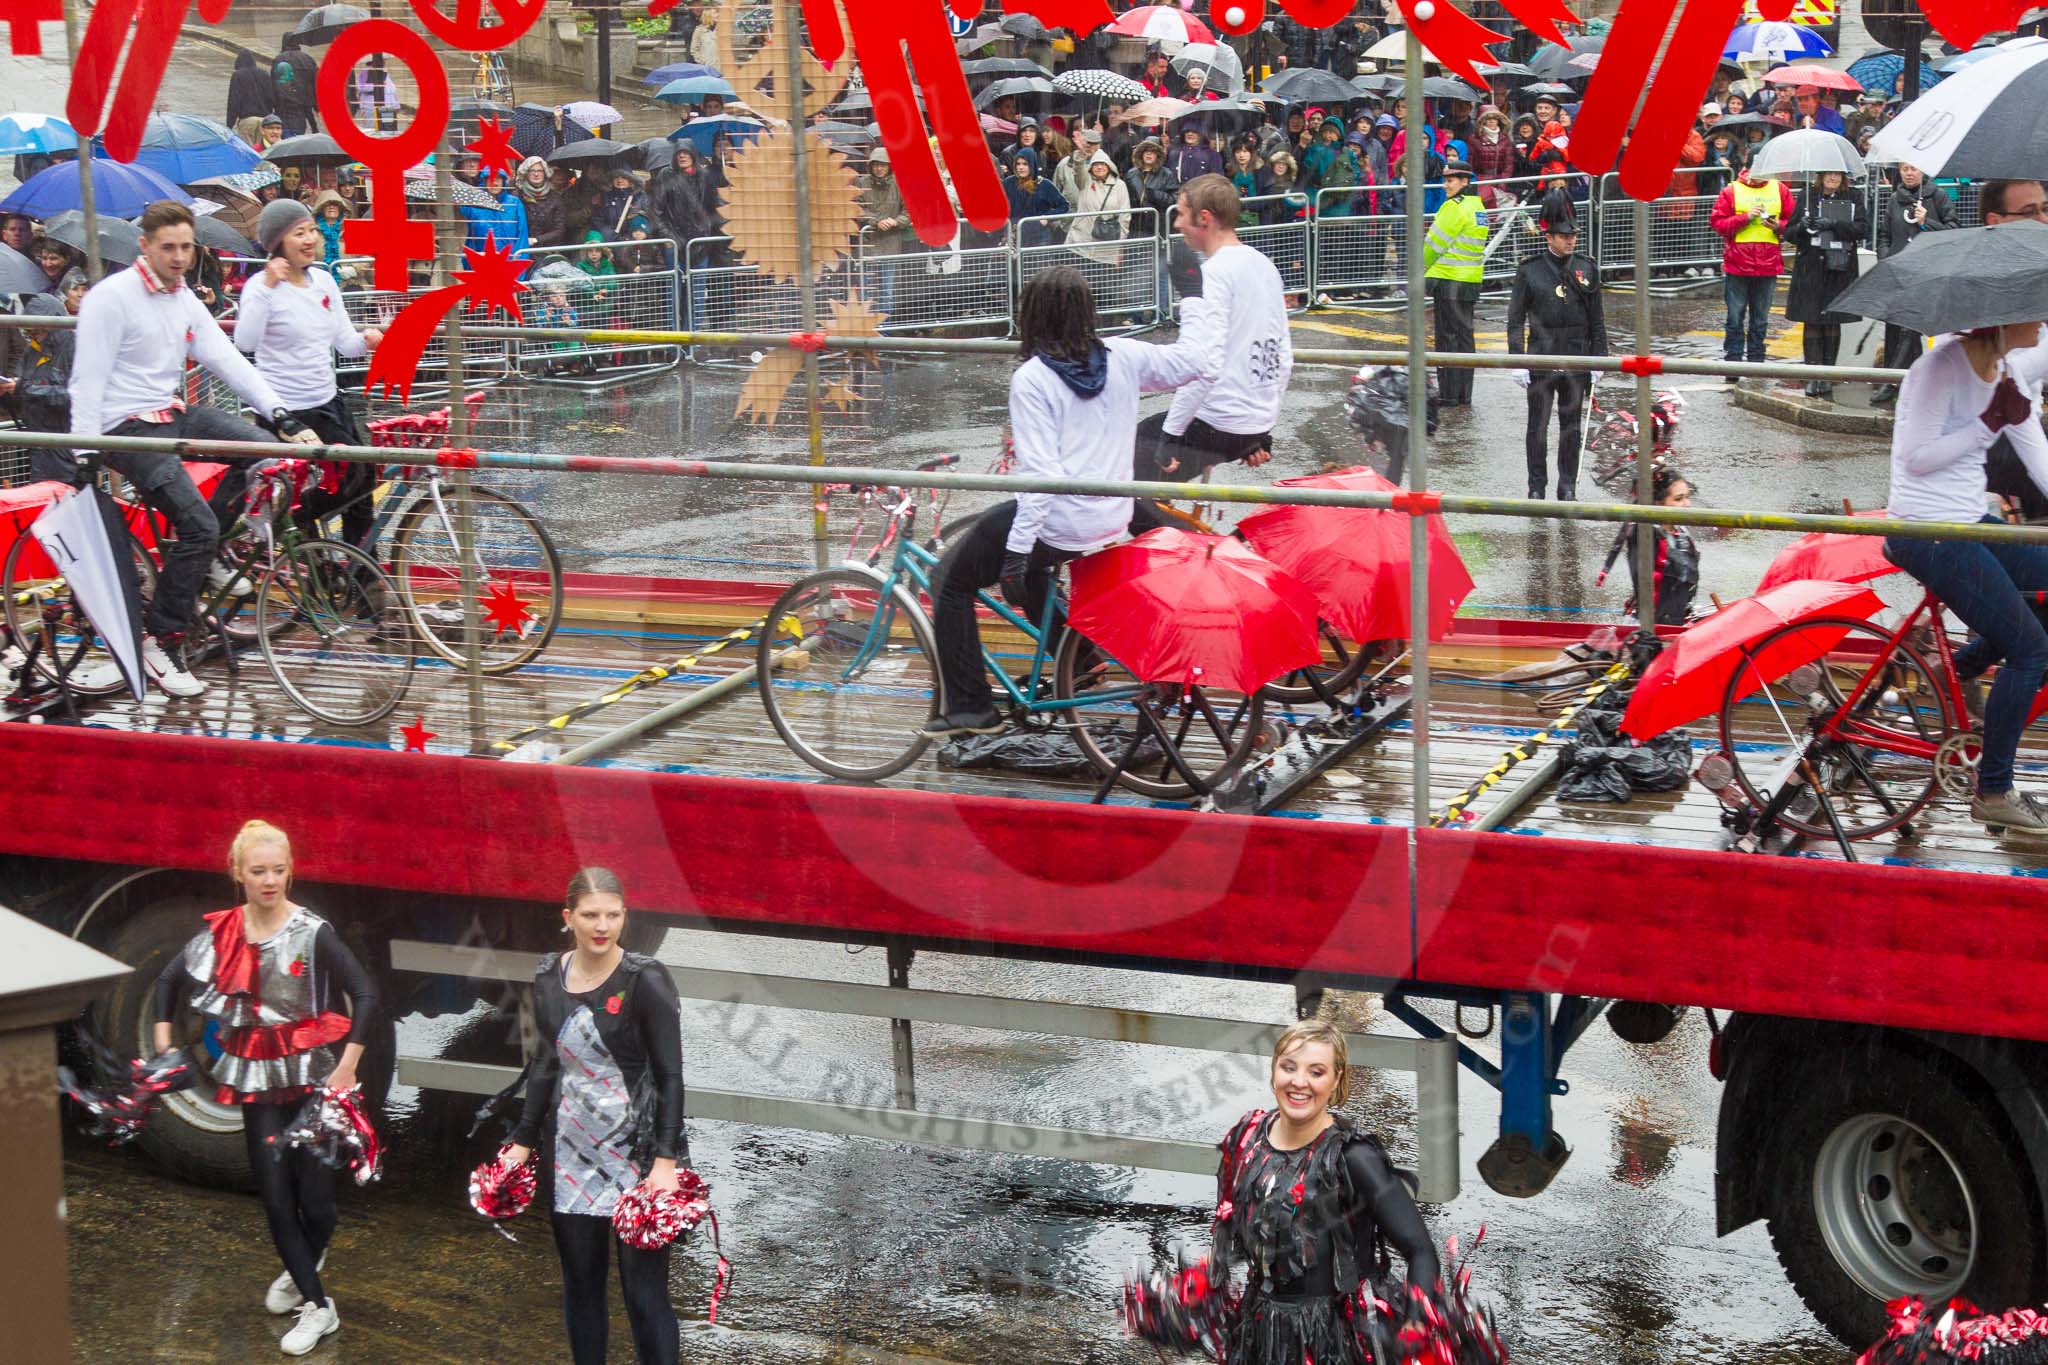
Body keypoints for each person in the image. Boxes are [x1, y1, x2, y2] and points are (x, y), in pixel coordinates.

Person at [923, 267, 1207, 736]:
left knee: (949, 581)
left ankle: (970, 708)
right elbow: (1197, 362)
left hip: (1058, 519)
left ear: (1033, 316)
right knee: (1029, 563)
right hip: (1110, 516)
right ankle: (1080, 662)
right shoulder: (1125, 354)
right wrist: (1194, 301)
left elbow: (1040, 477)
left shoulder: (1033, 379)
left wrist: (1016, 553)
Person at [68, 201, 319, 697]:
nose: (180, 257)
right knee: (197, 525)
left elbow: (226, 359)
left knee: (266, 452)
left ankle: (210, 550)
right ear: (146, 246)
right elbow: (87, 378)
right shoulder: (110, 298)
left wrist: (279, 413)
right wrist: (82, 450)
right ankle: (161, 641)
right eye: (169, 248)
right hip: (123, 428)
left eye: (186, 247)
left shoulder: (183, 298)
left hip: (171, 411)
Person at [151, 820, 379, 1356]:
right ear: (238, 874)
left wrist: (346, 1067)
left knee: (318, 1204)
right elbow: (166, 981)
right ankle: (318, 1305)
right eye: (259, 872)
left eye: (279, 870)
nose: (270, 880)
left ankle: (304, 1264)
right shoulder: (223, 931)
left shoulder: (312, 931)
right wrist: (165, 1046)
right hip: (257, 1076)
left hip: (313, 1077)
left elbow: (366, 995)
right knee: (276, 1197)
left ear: (290, 870)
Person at [503, 868, 689, 1365]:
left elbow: (671, 1075)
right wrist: (522, 1140)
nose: (601, 925)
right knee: (582, 1290)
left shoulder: (646, 979)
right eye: (590, 915)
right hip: (572, 1156)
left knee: (644, 1298)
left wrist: (665, 1160)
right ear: (569, 918)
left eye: (612, 914)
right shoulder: (547, 976)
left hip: (640, 1155)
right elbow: (544, 1063)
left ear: (625, 916)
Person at [1188, 1020, 1444, 1362]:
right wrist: (1200, 1279)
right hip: (1261, 1328)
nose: (1299, 1082)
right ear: (1274, 1069)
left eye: (1316, 1072)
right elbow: (1237, 1230)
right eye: (1289, 1067)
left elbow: (1420, 1250)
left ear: (1337, 1079)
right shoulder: (1247, 1141)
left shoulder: (1354, 1158)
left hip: (1338, 1336)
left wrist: (1417, 1322)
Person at [1884, 320, 2048, 832]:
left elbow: (2037, 455)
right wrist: (1986, 423)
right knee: (2031, 650)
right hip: (1926, 528)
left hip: (1968, 520)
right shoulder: (1939, 368)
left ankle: (1952, 670)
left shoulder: (2008, 371)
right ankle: (1994, 789)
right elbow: (1916, 458)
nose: (2042, 323)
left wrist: (2003, 414)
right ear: (2002, 320)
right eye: (2033, 313)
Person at [235, 199, 384, 549]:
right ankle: (291, 534)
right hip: (289, 414)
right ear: (278, 243)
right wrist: (269, 288)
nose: (309, 240)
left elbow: (344, 343)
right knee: (337, 485)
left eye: (312, 231)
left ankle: (362, 578)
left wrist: (370, 339)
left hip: (329, 402)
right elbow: (245, 341)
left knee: (362, 484)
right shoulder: (260, 286)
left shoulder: (324, 281)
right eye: (298, 233)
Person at [1135, 174, 1290, 484]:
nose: (1176, 223)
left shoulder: (1213, 273)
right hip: (1249, 421)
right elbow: (1280, 353)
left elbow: (1203, 362)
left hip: (1217, 421)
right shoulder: (1263, 264)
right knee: (1143, 486)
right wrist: (1260, 427)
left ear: (1204, 218)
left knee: (1121, 480)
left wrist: (1170, 435)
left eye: (1180, 213)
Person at [1507, 199, 1607, 500]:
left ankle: (1567, 486)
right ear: (1548, 236)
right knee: (1537, 427)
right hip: (1541, 356)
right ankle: (1536, 486)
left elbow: (1596, 319)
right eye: (1564, 235)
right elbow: (1515, 319)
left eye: (1573, 235)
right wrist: (1517, 360)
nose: (1570, 240)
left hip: (1576, 357)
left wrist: (1600, 359)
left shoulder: (1586, 268)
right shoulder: (1530, 270)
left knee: (1571, 428)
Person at [1974, 180, 2048, 521]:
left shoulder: (2036, 268)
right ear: (1995, 220)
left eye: (2046, 208)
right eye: (2030, 212)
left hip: (2024, 429)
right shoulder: (1979, 280)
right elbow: (2006, 374)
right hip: (1995, 448)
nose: (2044, 220)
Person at [1870, 162, 1956, 405]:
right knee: (1895, 328)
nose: (1908, 173)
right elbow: (1884, 234)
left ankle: (1891, 385)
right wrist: (1886, 258)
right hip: (1898, 272)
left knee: (1910, 329)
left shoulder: (1938, 196)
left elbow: (1953, 230)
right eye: (1905, 169)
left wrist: (1927, 222)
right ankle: (1908, 382)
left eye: (1914, 169)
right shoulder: (1895, 199)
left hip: (1926, 271)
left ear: (1923, 171)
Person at [1783, 170, 1867, 399]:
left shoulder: (1853, 196)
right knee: (1811, 319)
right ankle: (1812, 375)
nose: (1833, 178)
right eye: (1829, 174)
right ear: (1821, 176)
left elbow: (1862, 229)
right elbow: (1789, 233)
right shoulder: (1807, 195)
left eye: (1837, 174)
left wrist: (1834, 224)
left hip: (1838, 266)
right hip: (1810, 267)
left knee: (1832, 320)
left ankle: (1828, 375)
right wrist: (1801, 226)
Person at [1709, 159, 1793, 379]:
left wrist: (1780, 227)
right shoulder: (1731, 190)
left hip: (1768, 265)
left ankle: (1756, 363)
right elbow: (1718, 223)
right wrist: (1745, 218)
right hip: (1738, 264)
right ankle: (1733, 363)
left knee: (1760, 318)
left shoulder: (1781, 189)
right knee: (1735, 316)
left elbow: (1793, 222)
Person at [1423, 159, 1487, 406]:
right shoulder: (1477, 206)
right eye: (1445, 180)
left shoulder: (1454, 207)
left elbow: (1433, 246)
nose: (1445, 185)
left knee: (1447, 341)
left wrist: (1420, 268)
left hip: (1449, 282)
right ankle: (1463, 395)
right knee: (1464, 340)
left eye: (1450, 180)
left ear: (1464, 181)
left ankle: (1448, 394)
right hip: (1469, 282)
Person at [1607, 466, 1699, 626]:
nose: (1687, 504)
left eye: (1687, 497)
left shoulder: (1681, 531)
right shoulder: (1645, 533)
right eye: (1678, 499)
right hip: (1650, 627)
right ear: (1658, 503)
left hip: (1676, 621)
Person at [857, 146, 910, 318]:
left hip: (890, 244)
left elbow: (909, 210)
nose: (879, 169)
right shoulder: (861, 183)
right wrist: (875, 221)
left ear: (889, 166)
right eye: (876, 165)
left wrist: (895, 221)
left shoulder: (900, 183)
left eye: (883, 165)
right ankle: (863, 326)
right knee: (864, 289)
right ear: (870, 166)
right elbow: (856, 209)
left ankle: (884, 327)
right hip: (867, 244)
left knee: (886, 289)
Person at [1065, 149, 1131, 266]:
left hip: (1106, 249)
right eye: (1096, 164)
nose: (1099, 167)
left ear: (1109, 166)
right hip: (1080, 244)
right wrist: (1080, 154)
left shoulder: (1120, 185)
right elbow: (1078, 169)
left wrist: (1119, 243)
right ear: (1091, 167)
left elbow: (1125, 217)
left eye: (1102, 164)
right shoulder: (1085, 181)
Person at [1004, 150, 1067, 249]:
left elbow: (1064, 206)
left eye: (1025, 164)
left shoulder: (1044, 184)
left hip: (1039, 236)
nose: (1021, 167)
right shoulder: (1008, 183)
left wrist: (1047, 217)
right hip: (1014, 236)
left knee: (1037, 264)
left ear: (1032, 165)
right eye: (1018, 164)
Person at [270, 35, 320, 138]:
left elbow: (273, 84)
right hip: (302, 107)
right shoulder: (307, 59)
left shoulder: (278, 60)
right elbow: (315, 83)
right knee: (298, 136)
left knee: (284, 139)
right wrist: (317, 106)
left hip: (282, 108)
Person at [518, 155, 570, 249]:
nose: (536, 174)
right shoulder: (517, 196)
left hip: (547, 249)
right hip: (520, 247)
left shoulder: (555, 198)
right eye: (532, 170)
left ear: (545, 173)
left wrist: (537, 240)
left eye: (540, 171)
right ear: (526, 173)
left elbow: (559, 230)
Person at [226, 51, 273, 129]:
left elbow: (234, 102)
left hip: (247, 121)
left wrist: (229, 125)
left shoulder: (238, 75)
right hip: (264, 121)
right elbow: (271, 98)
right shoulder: (264, 74)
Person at [309, 189, 348, 265]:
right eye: (327, 204)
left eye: (335, 204)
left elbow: (366, 255)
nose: (332, 207)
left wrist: (354, 269)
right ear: (321, 208)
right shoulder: (311, 231)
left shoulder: (353, 230)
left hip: (349, 276)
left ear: (341, 208)